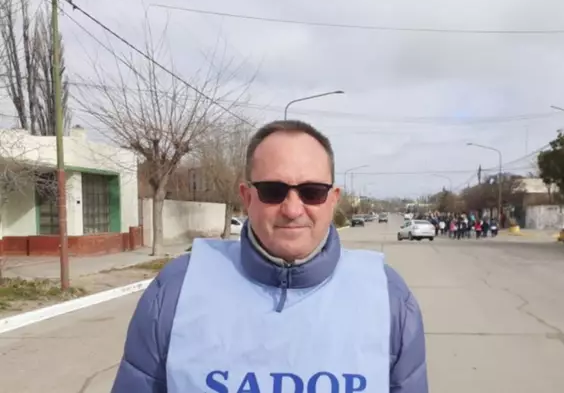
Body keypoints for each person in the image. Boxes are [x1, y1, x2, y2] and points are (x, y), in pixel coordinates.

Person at [111, 120, 428, 393]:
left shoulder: (388, 298)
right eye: (273, 191)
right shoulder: (176, 290)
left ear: (333, 200)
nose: (292, 209)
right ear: (247, 197)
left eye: (312, 192)